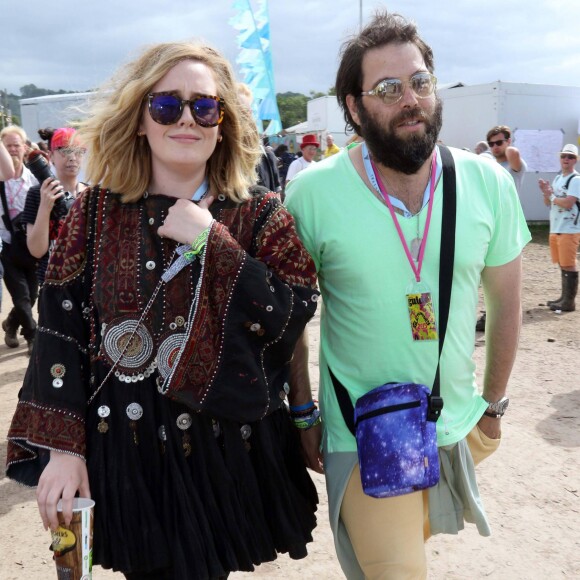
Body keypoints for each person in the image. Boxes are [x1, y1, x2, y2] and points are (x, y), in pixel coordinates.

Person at [6, 41, 321, 580]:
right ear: (140, 119)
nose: (187, 119)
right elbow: (59, 326)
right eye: (166, 105)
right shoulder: (95, 211)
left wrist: (213, 244)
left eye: (204, 106)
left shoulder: (261, 213)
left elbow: (290, 316)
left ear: (222, 122)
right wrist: (62, 448)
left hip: (227, 448)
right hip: (129, 449)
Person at [285, 11, 530, 579]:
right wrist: (303, 412)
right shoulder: (312, 194)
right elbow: (292, 318)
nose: (410, 99)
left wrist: (492, 407)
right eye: (388, 89)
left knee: (405, 552)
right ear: (353, 107)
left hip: (460, 425)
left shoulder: (486, 181)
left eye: (419, 82)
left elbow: (506, 302)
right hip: (365, 429)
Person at [476, 125, 528, 330]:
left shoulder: (515, 165)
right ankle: (489, 313)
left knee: (501, 277)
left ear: (508, 142)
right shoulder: (489, 166)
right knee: (484, 272)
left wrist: (495, 151)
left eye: (499, 142)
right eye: (491, 143)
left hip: (508, 227)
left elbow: (513, 153)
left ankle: (495, 317)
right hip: (489, 224)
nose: (495, 147)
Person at [23, 127, 87, 285]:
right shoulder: (37, 194)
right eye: (64, 151)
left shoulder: (89, 194)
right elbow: (36, 251)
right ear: (50, 156)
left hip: (85, 285)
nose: (72, 157)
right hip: (52, 283)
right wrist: (45, 206)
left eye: (78, 151)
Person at [0, 126, 39, 354]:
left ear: (25, 148)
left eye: (16, 145)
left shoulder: (34, 179)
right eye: (8, 146)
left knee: (32, 295)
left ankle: (11, 323)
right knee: (21, 296)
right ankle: (32, 336)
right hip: (7, 247)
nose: (13, 150)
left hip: (32, 246)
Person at [538, 143, 579, 311]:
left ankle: (569, 302)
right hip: (556, 227)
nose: (566, 159)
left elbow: (568, 203)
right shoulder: (557, 178)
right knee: (562, 263)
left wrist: (552, 196)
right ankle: (564, 298)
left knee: (568, 263)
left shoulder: (575, 179)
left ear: (575, 160)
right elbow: (548, 203)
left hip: (569, 228)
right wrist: (546, 193)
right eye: (563, 156)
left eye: (570, 157)